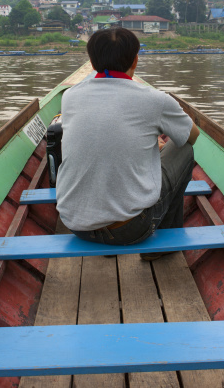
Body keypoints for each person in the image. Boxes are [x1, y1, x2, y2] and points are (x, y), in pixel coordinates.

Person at [56, 28, 200, 260]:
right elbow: (191, 136)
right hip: (131, 230)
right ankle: (161, 247)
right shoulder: (156, 99)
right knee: (183, 149)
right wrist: (157, 140)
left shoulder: (70, 96)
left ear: (92, 63)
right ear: (135, 60)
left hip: (76, 225)